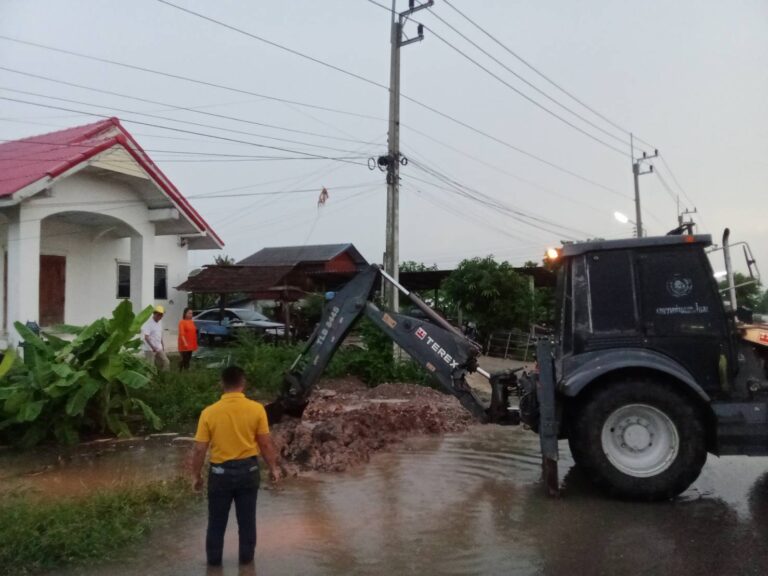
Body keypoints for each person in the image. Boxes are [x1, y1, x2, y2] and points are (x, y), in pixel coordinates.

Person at [190, 366, 282, 567]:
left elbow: (199, 450)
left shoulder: (209, 413)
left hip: (219, 473)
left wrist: (196, 476)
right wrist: (273, 468)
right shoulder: (257, 409)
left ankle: (214, 567)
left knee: (216, 523)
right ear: (243, 383)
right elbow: (265, 444)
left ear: (222, 384)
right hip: (248, 472)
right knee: (247, 522)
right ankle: (247, 565)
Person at [141, 305, 170, 371]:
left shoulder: (160, 322)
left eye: (162, 315)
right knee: (150, 366)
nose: (160, 317)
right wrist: (152, 347)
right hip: (149, 348)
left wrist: (162, 344)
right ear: (154, 313)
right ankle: (150, 378)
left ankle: (164, 376)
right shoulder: (148, 323)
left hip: (158, 347)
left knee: (166, 362)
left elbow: (159, 334)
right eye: (159, 315)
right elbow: (146, 337)